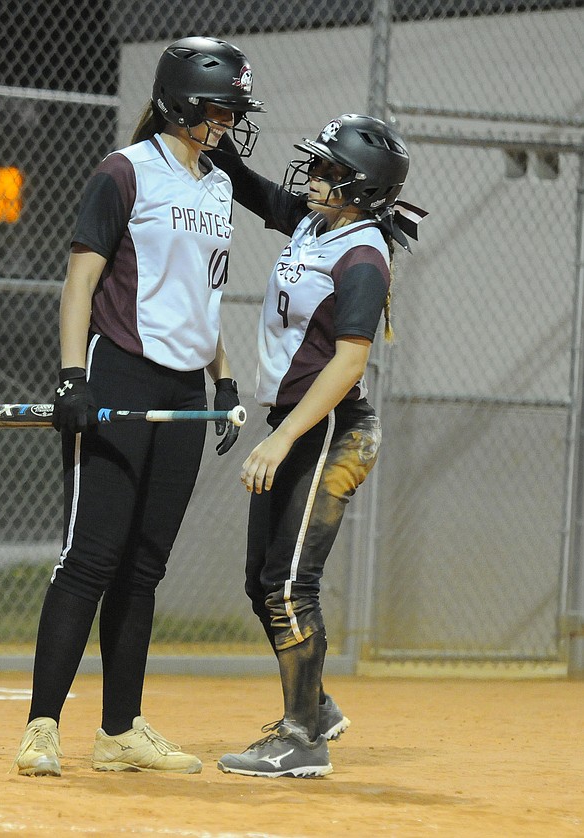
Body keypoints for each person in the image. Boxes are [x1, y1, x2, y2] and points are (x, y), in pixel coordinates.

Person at [13, 36, 265, 777]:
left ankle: (119, 731)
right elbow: (79, 284)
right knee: (89, 557)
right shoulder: (125, 173)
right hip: (118, 373)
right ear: (183, 103)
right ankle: (41, 728)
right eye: (220, 108)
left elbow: (199, 296)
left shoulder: (217, 184)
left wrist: (222, 378)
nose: (229, 122)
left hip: (186, 386)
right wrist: (70, 377)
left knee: (145, 567)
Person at [206, 114, 426, 777]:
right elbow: (246, 184)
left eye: (330, 170)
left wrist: (283, 439)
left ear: (361, 188)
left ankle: (304, 739)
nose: (314, 177)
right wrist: (206, 136)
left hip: (332, 431)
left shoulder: (362, 255)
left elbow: (349, 364)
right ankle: (317, 705)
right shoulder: (313, 222)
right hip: (300, 424)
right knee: (261, 582)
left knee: (289, 585)